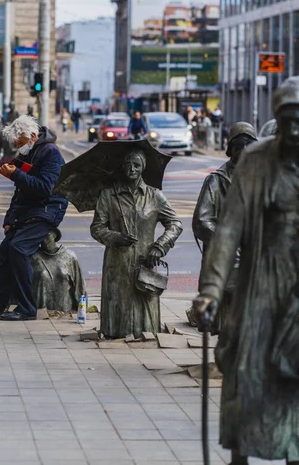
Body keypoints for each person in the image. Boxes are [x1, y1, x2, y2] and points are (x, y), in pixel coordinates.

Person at [194, 76, 299, 465]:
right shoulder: (255, 162)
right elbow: (227, 232)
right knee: (247, 373)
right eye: (287, 120)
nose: (294, 130)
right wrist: (210, 290)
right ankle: (240, 456)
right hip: (260, 284)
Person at [0, 115, 68, 322]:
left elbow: (45, 189)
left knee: (18, 248)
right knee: (5, 249)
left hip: (48, 210)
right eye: (16, 144)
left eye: (19, 143)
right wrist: (8, 219)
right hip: (29, 211)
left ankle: (27, 307)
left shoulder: (51, 153)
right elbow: (19, 193)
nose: (18, 147)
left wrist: (16, 175)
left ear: (32, 136)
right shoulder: (28, 152)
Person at [90, 149, 183, 338]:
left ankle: (146, 333)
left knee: (145, 310)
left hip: (145, 261)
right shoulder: (109, 195)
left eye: (136, 165)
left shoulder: (155, 196)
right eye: (128, 165)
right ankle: (115, 333)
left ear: (143, 168)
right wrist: (115, 237)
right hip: (117, 263)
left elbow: (175, 224)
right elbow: (97, 228)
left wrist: (159, 246)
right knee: (118, 307)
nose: (131, 169)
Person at [191, 122, 257, 331]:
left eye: (249, 146)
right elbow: (201, 221)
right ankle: (223, 359)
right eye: (239, 146)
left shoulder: (260, 180)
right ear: (231, 150)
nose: (244, 151)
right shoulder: (216, 181)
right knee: (227, 316)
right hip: (224, 259)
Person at [31, 228, 86, 312]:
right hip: (40, 313)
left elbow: (79, 286)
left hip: (65, 311)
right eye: (41, 235)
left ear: (55, 235)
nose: (44, 240)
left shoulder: (70, 257)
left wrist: (82, 310)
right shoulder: (33, 257)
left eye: (47, 235)